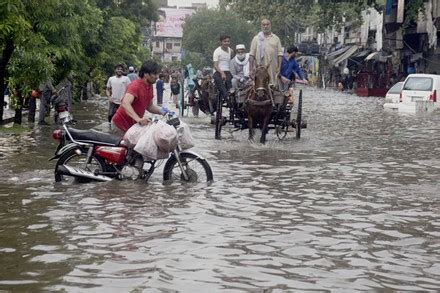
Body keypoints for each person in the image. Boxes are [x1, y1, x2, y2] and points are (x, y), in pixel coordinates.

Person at [111, 60, 169, 134]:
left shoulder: (150, 86)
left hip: (132, 126)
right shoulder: (135, 85)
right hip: (119, 125)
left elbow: (149, 106)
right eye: (154, 74)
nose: (157, 77)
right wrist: (138, 119)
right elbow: (125, 103)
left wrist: (162, 111)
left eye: (157, 74)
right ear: (145, 74)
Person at [249, 19, 283, 85]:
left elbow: (280, 55)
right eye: (263, 25)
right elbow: (251, 55)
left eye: (267, 24)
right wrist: (250, 70)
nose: (265, 26)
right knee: (258, 87)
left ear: (270, 25)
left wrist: (279, 68)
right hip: (258, 68)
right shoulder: (256, 39)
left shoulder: (276, 38)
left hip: (272, 68)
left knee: (272, 87)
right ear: (261, 26)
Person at [212, 35, 233, 103]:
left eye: (228, 41)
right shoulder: (217, 51)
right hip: (218, 71)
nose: (226, 43)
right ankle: (226, 96)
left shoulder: (230, 50)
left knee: (230, 82)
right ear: (221, 42)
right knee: (219, 81)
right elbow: (215, 65)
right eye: (225, 41)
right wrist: (222, 73)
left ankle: (232, 97)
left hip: (228, 71)